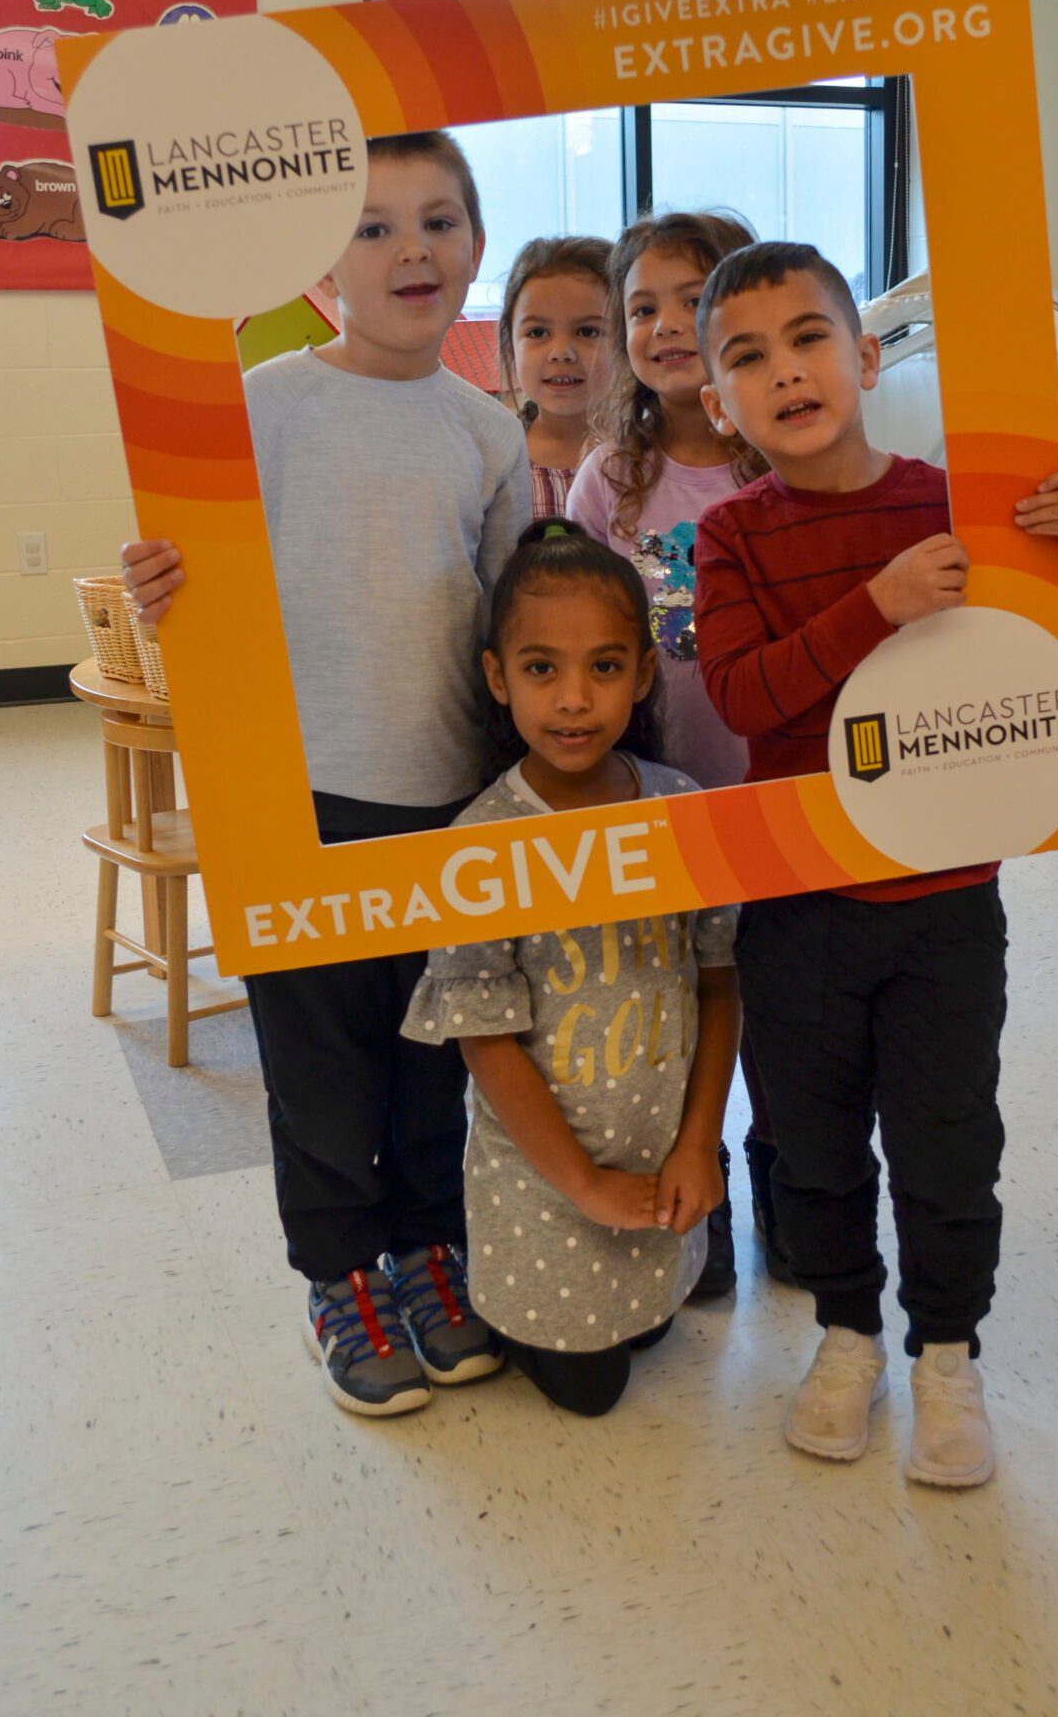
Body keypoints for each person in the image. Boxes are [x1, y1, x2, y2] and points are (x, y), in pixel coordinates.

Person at [120, 132, 531, 1417]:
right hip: (295, 795)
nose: (411, 247)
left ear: (474, 245)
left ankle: (425, 1251)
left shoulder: (488, 430)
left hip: (449, 795)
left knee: (431, 1054)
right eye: (371, 226)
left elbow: (514, 622)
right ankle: (338, 1274)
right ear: (318, 270)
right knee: (317, 1060)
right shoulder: (264, 404)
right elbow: (189, 582)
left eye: (439, 220)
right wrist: (157, 591)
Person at [692, 239, 1058, 1488]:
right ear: (719, 402)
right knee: (812, 1143)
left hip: (944, 899)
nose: (787, 370)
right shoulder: (731, 535)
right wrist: (872, 604)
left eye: (810, 337)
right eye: (747, 357)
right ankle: (845, 1334)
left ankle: (946, 1352)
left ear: (866, 355)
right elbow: (741, 691)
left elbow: (1022, 662)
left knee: (946, 1139)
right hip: (797, 900)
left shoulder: (953, 503)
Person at [402, 519, 740, 1416]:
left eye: (603, 667)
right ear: (497, 678)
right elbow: (486, 1045)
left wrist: (701, 1144)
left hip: (658, 1157)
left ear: (640, 673)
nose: (574, 700)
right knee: (591, 1392)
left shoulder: (680, 808)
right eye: (543, 668)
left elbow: (718, 983)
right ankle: (513, 1306)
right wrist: (585, 1186)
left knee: (655, 1328)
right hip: (546, 1187)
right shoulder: (479, 845)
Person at [567, 208, 783, 1297]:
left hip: (777, 787)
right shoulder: (611, 478)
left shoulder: (784, 455)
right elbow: (580, 637)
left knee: (780, 1003)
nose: (661, 325)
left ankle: (789, 1185)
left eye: (688, 299)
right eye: (639, 305)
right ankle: (693, 1208)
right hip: (659, 795)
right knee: (675, 1005)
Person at [497, 234, 611, 520]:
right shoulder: (492, 462)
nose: (561, 353)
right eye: (537, 332)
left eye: (588, 331)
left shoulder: (655, 461)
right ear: (510, 345)